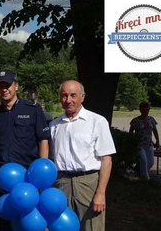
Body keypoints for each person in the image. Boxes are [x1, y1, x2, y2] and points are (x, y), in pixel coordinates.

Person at [0, 69, 50, 230]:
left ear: (16, 86)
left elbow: (43, 141)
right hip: (1, 176)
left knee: (27, 221)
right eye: (0, 86)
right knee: (0, 216)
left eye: (7, 85)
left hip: (28, 176)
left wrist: (42, 173)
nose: (4, 89)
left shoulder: (32, 110)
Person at [49, 80, 116, 231]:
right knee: (62, 226)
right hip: (62, 183)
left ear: (82, 97)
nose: (68, 100)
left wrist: (101, 193)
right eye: (64, 96)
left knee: (92, 227)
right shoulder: (54, 125)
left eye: (73, 95)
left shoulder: (97, 121)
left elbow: (106, 159)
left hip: (88, 183)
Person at [129, 101, 160, 180]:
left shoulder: (151, 119)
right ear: (140, 110)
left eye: (147, 110)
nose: (146, 112)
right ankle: (146, 179)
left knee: (150, 162)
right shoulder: (135, 120)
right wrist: (131, 142)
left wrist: (157, 141)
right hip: (139, 144)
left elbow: (155, 130)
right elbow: (130, 132)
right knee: (143, 160)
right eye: (144, 110)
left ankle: (138, 173)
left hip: (149, 144)